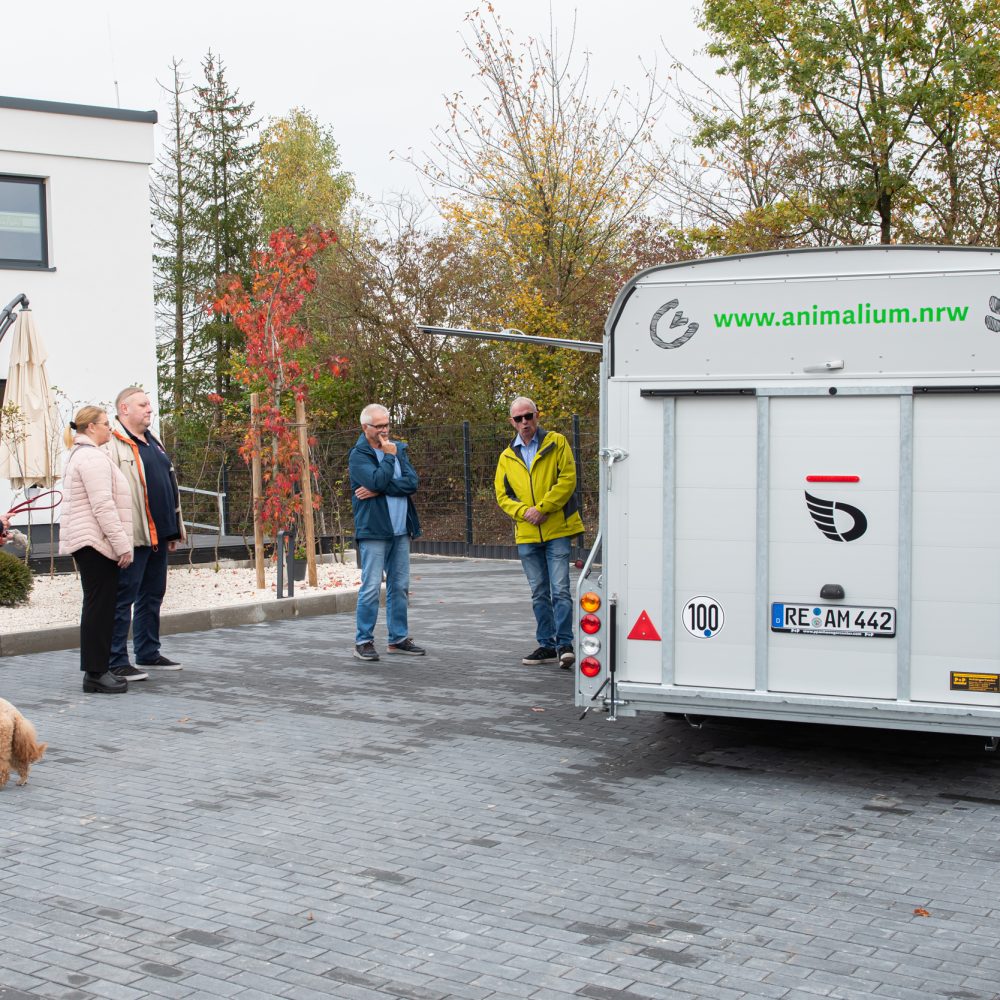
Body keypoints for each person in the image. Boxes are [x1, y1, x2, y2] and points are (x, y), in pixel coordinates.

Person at [494, 396, 584, 668]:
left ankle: (564, 645)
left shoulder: (557, 442)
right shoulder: (506, 456)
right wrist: (525, 512)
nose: (524, 422)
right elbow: (503, 495)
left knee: (560, 589)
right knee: (539, 592)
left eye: (528, 416)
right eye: (518, 418)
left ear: (537, 416)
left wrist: (543, 508)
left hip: (557, 529)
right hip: (527, 533)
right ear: (512, 422)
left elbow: (567, 480)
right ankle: (546, 644)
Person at [105, 386, 186, 680]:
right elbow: (107, 494)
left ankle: (148, 652)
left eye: (149, 404)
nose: (149, 409)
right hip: (133, 535)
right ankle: (116, 660)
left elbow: (168, 484)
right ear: (124, 409)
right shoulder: (113, 444)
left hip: (159, 534)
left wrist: (174, 530)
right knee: (123, 597)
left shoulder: (154, 440)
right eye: (142, 405)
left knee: (152, 595)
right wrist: (117, 537)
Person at [58, 407, 134, 693]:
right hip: (95, 542)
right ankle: (95, 673)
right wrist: (122, 545)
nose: (110, 429)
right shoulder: (91, 458)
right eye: (105, 424)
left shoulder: (84, 455)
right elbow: (103, 505)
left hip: (92, 540)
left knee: (99, 606)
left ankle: (98, 670)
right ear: (90, 427)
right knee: (99, 607)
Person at [349, 403, 425, 661]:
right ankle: (363, 641)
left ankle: (398, 638)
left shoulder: (398, 449)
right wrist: (388, 461)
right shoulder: (359, 455)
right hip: (374, 531)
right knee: (371, 587)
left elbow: (412, 483)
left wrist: (379, 488)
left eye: (387, 425)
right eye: (379, 426)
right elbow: (376, 480)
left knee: (400, 586)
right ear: (365, 427)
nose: (384, 430)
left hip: (400, 530)